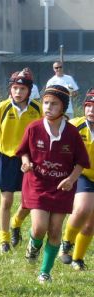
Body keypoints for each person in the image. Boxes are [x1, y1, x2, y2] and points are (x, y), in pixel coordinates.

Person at [16, 85, 89, 283]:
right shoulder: (34, 127)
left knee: (56, 230)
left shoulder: (73, 133)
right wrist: (25, 162)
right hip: (37, 183)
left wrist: (71, 179)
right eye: (45, 102)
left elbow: (82, 162)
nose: (47, 107)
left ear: (63, 107)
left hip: (61, 187)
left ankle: (45, 272)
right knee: (39, 228)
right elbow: (23, 151)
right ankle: (33, 244)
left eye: (53, 103)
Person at [0, 68, 42, 253]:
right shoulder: (3, 106)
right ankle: (4, 239)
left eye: (22, 89)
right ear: (10, 89)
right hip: (6, 158)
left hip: (29, 161)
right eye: (15, 88)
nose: (18, 92)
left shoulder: (37, 109)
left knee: (29, 201)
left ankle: (16, 222)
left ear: (29, 90)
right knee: (6, 201)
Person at [58, 89, 94, 270]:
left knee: (90, 224)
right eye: (88, 106)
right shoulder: (74, 126)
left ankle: (78, 259)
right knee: (83, 208)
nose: (91, 111)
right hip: (82, 175)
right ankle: (66, 244)